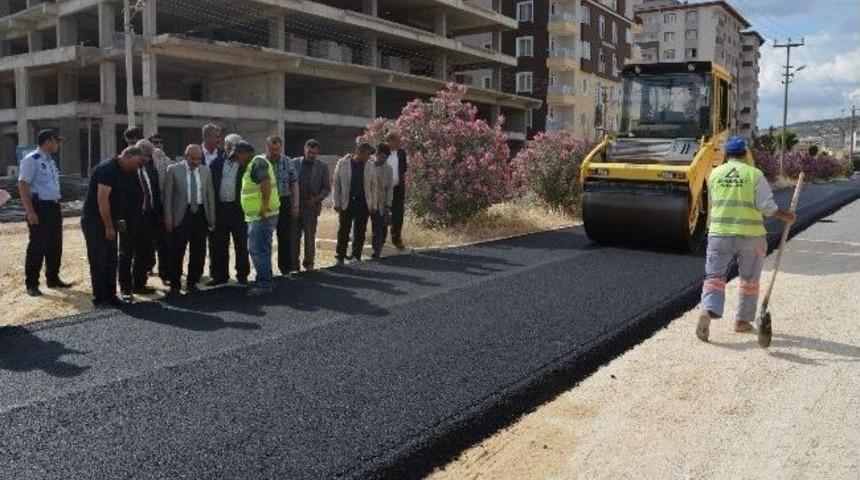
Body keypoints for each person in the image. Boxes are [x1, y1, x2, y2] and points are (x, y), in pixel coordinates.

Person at [696, 136, 796, 343]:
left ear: (726, 154)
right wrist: (787, 216)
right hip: (750, 236)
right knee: (749, 281)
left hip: (719, 234)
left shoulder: (714, 174)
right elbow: (767, 207)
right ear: (745, 153)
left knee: (714, 277)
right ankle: (742, 321)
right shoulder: (754, 174)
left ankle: (707, 310)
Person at [81, 147, 146, 308]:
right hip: (94, 221)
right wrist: (109, 226)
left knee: (112, 259)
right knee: (99, 259)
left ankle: (111, 295)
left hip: (111, 219)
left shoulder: (127, 171)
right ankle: (100, 298)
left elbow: (121, 199)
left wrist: (119, 219)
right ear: (128, 156)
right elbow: (102, 200)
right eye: (137, 163)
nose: (137, 168)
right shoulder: (107, 169)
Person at [18, 129, 71, 297]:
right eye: (57, 141)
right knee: (37, 246)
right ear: (48, 141)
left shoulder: (50, 160)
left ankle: (53, 278)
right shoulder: (31, 160)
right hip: (39, 207)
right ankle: (32, 284)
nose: (58, 144)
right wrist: (30, 211)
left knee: (55, 245)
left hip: (54, 207)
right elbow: (23, 185)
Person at [162, 144, 216, 296]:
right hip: (181, 215)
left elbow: (209, 196)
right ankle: (175, 284)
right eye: (193, 159)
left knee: (198, 251)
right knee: (177, 251)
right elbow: (168, 197)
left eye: (199, 159)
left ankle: (192, 282)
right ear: (186, 156)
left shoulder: (206, 171)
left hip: (199, 214)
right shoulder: (173, 170)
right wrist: (168, 217)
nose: (196, 162)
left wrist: (211, 218)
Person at [115, 140, 162, 303]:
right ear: (137, 155)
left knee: (145, 253)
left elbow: (155, 192)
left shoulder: (150, 170)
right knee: (126, 254)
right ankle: (126, 289)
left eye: (150, 157)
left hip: (148, 218)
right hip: (129, 219)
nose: (148, 160)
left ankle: (139, 284)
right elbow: (118, 197)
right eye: (145, 156)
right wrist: (119, 218)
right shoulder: (125, 171)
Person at [208, 140, 252, 286]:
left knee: (241, 243)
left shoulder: (245, 166)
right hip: (220, 209)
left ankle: (242, 275)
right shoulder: (215, 164)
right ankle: (219, 276)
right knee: (219, 244)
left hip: (238, 209)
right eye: (228, 148)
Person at [240, 141, 281, 296]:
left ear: (244, 152)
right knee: (264, 249)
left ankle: (264, 284)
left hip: (262, 215)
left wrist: (264, 205)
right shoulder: (255, 163)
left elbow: (265, 183)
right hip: (260, 215)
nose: (237, 159)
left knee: (257, 250)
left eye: (237, 156)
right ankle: (265, 279)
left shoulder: (257, 162)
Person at [291, 139, 330, 272]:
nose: (311, 155)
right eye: (309, 152)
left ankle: (309, 264)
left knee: (309, 237)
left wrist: (317, 199)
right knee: (294, 237)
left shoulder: (322, 167)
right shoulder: (294, 163)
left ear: (317, 153)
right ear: (304, 150)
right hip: (295, 206)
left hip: (311, 207)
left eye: (314, 153)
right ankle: (294, 266)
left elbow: (326, 188)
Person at [333, 142, 374, 265]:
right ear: (359, 152)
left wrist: (373, 204)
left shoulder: (370, 166)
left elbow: (374, 186)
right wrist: (337, 202)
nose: (368, 157)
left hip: (363, 202)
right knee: (344, 229)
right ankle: (340, 256)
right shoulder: (343, 163)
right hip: (347, 201)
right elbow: (336, 184)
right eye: (367, 154)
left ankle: (356, 255)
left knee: (360, 230)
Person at [266, 135, 300, 276]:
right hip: (266, 203)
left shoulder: (288, 162)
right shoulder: (261, 162)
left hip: (284, 201)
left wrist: (295, 205)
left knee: (285, 237)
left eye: (277, 149)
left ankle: (285, 269)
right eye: (272, 149)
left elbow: (294, 184)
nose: (275, 152)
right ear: (267, 147)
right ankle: (265, 270)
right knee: (266, 238)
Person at [368, 143, 394, 259]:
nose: (384, 160)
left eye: (386, 158)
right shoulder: (367, 165)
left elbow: (389, 189)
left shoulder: (388, 169)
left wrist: (388, 205)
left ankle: (376, 252)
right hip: (366, 201)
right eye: (382, 157)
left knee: (378, 229)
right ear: (376, 154)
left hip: (380, 203)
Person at [385, 132, 408, 250]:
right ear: (390, 141)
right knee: (383, 214)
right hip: (384, 190)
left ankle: (396, 239)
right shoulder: (383, 152)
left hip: (398, 189)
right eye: (398, 140)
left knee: (398, 215)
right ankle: (380, 240)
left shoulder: (402, 153)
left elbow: (404, 169)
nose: (400, 142)